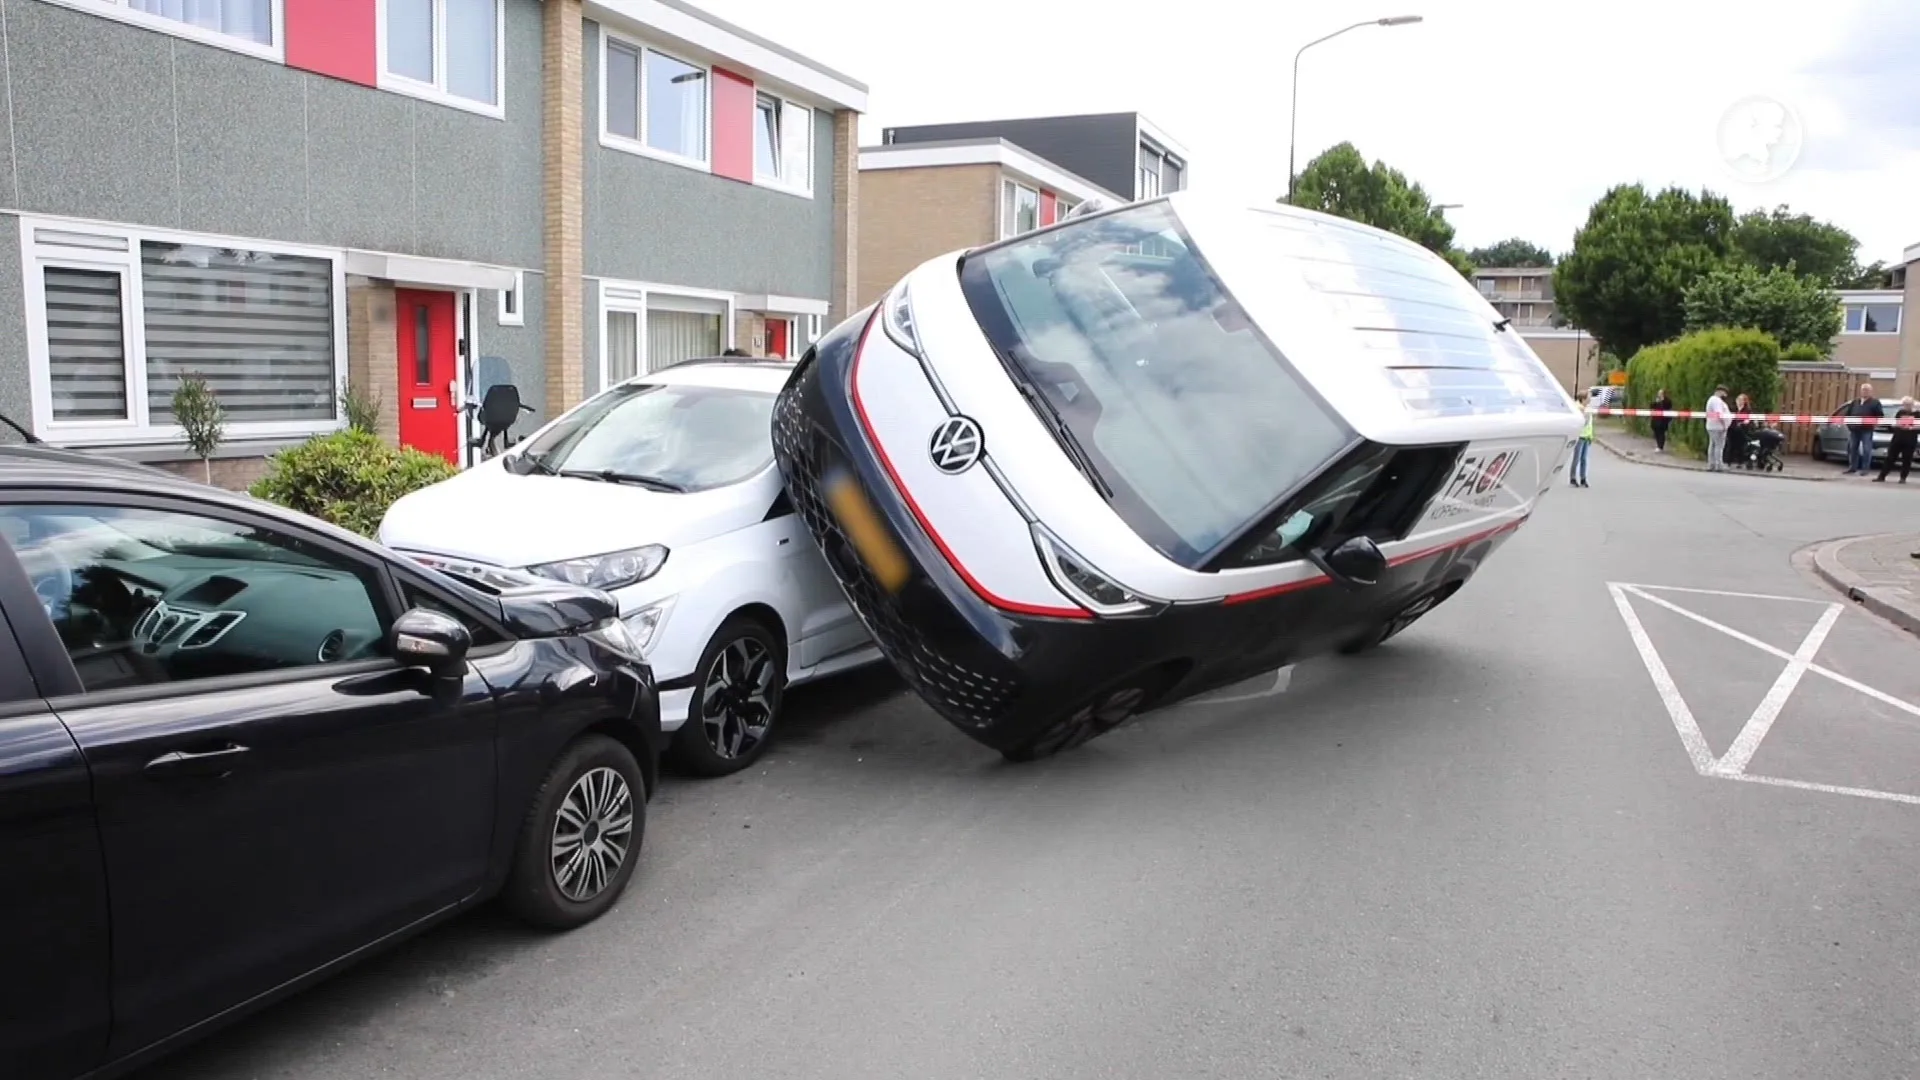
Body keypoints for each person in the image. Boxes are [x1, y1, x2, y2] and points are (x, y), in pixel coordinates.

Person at [1841, 382, 1884, 476]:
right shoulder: (1855, 402)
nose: (1865, 392)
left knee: (1866, 449)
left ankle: (1865, 469)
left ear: (1871, 391)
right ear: (1860, 391)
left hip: (1866, 429)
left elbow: (1880, 415)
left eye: (1867, 390)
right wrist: (1849, 425)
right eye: (1863, 390)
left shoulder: (1875, 402)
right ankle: (1852, 467)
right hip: (1854, 429)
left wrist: (1874, 425)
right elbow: (1847, 415)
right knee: (1852, 448)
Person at [1875, 396, 1918, 484]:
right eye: (1905, 404)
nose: (1906, 406)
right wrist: (1895, 425)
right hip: (1898, 438)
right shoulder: (1900, 412)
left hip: (1910, 439)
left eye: (1908, 404)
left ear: (1912, 404)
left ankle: (1903, 478)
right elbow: (1894, 423)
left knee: (1907, 459)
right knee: (1890, 457)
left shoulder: (1917, 414)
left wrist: (1911, 427)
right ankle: (1882, 476)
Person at [1704, 386, 1732, 472]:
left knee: (1713, 445)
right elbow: (1719, 414)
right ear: (1720, 391)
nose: (1725, 395)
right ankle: (1718, 465)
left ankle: (1711, 464)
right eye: (1724, 392)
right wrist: (1724, 424)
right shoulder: (1716, 401)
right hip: (1718, 426)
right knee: (1719, 446)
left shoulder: (1712, 400)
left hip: (1713, 426)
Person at [1569, 391, 1593, 487]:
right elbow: (1583, 422)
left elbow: (1590, 425)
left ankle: (1583, 478)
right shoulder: (1578, 408)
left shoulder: (1587, 409)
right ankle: (1573, 478)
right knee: (1577, 458)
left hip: (1586, 436)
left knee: (1584, 459)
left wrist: (1590, 436)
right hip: (1579, 436)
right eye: (1588, 397)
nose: (1590, 399)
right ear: (1583, 399)